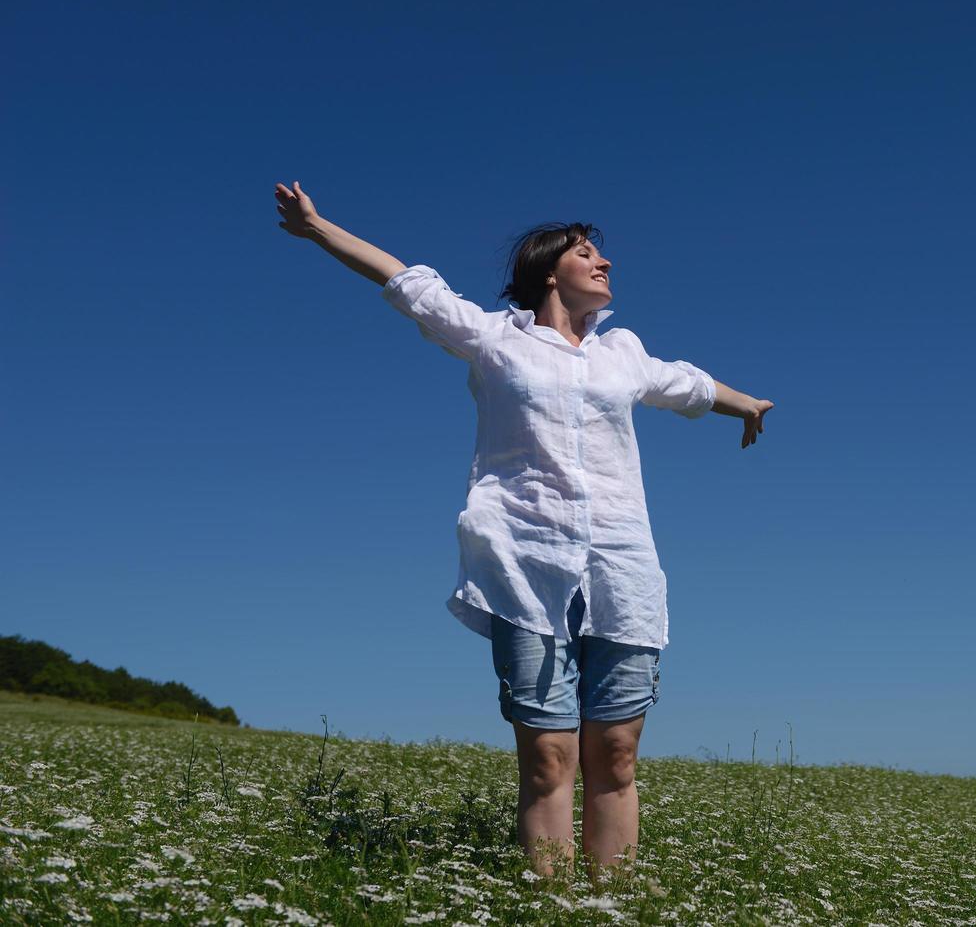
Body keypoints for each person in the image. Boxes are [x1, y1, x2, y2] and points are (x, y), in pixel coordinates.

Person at [273, 181, 774, 883]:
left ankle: (614, 901)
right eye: (586, 252)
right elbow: (409, 283)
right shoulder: (494, 339)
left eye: (601, 253)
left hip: (621, 567)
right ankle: (552, 901)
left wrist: (746, 404)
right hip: (524, 562)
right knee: (547, 757)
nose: (603, 262)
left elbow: (686, 386)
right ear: (549, 270)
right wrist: (320, 229)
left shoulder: (622, 353)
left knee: (618, 755)